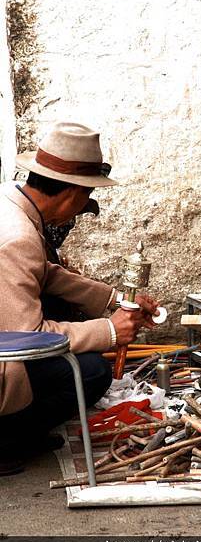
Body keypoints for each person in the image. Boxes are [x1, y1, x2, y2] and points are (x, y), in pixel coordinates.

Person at [0, 121, 159, 475]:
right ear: (73, 192)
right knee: (90, 372)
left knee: (69, 324)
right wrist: (110, 332)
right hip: (7, 346)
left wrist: (114, 300)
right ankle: (6, 440)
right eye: (87, 194)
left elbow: (44, 272)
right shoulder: (16, 237)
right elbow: (28, 336)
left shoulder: (12, 200)